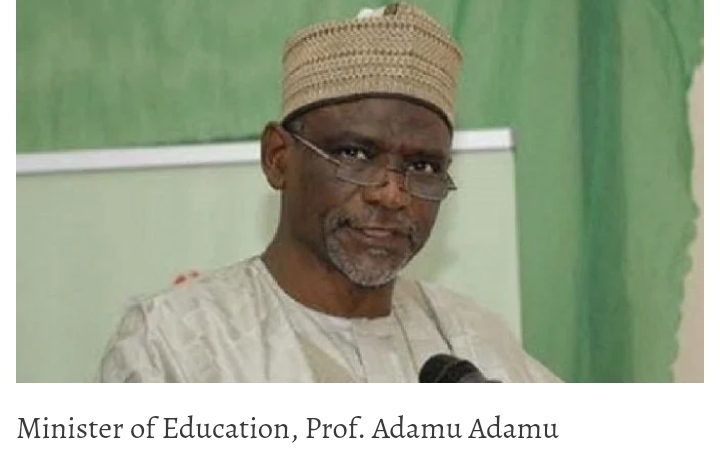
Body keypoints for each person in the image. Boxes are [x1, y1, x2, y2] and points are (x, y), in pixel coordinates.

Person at [99, 3, 559, 383]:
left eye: (422, 167)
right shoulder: (172, 344)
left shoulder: (475, 343)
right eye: (355, 154)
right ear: (278, 158)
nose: (392, 195)